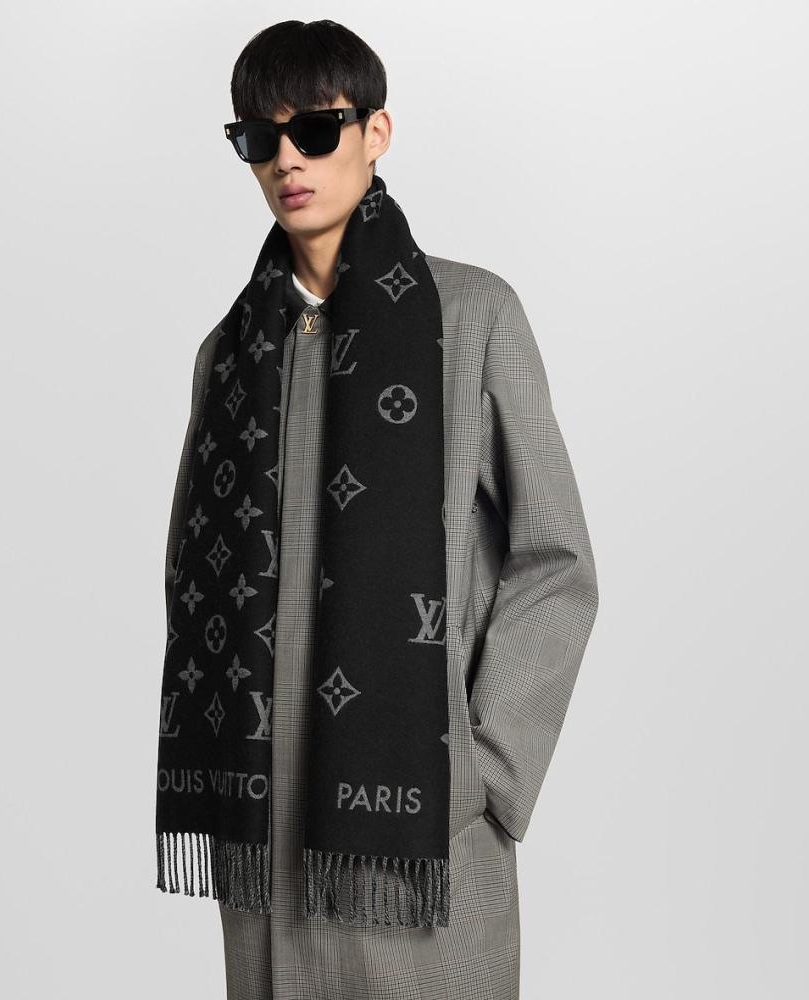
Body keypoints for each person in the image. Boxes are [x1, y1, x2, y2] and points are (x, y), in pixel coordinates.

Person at [159, 18, 599, 1000]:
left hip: (420, 843)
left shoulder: (472, 318)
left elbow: (554, 559)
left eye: (315, 130)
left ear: (376, 132)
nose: (287, 160)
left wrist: (485, 771)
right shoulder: (226, 360)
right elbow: (192, 583)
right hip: (267, 844)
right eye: (258, 138)